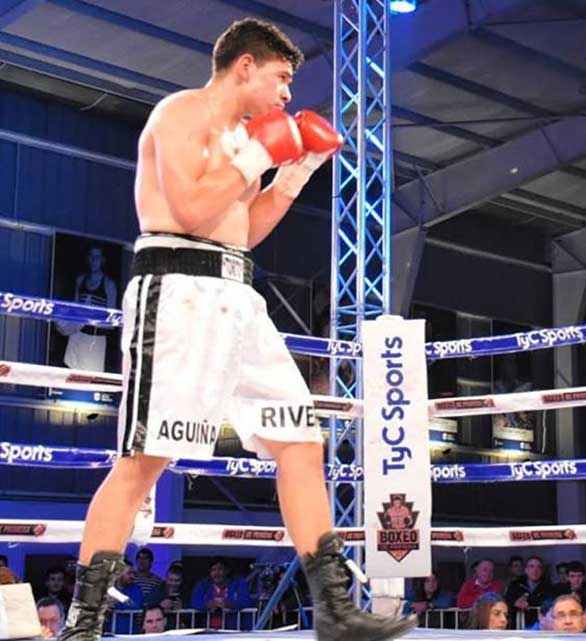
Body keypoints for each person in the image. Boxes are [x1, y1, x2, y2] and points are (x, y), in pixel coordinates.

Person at [57, 18, 414, 641]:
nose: (287, 94)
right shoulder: (180, 114)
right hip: (176, 291)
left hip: (237, 296)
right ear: (245, 66)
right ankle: (83, 625)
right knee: (144, 461)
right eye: (281, 77)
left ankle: (336, 613)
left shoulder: (249, 140)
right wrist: (261, 155)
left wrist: (294, 172)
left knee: (300, 440)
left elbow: (242, 230)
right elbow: (191, 209)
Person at [56, 246, 118, 372]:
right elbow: (74, 309)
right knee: (71, 374)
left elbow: (112, 323)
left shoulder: (109, 284)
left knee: (90, 379)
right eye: (91, 256)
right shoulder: (81, 280)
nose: (94, 260)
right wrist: (63, 322)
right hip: (77, 336)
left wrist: (91, 316)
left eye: (97, 257)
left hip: (95, 341)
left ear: (102, 260)